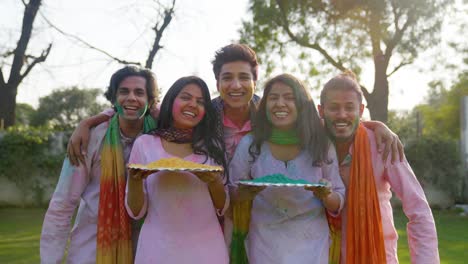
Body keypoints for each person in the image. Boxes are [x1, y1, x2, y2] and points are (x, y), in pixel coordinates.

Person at [66, 44, 403, 167]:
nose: (236, 85)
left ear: (256, 81)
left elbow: (322, 121)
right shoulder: (201, 114)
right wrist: (89, 122)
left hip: (263, 216)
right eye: (228, 77)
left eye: (244, 77)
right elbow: (142, 111)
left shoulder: (271, 115)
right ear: (218, 83)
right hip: (206, 213)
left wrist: (374, 125)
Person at [317, 71, 439, 264]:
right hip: (321, 256)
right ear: (321, 111)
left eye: (350, 107)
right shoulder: (310, 147)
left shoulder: (383, 145)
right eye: (334, 108)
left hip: (377, 256)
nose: (342, 115)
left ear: (361, 110)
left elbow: (418, 210)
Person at [40, 66, 158, 264]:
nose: (131, 98)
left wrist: (88, 120)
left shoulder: (158, 138)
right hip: (93, 247)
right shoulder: (90, 138)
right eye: (123, 91)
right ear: (113, 99)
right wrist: (50, 260)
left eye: (139, 92)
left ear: (150, 101)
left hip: (145, 247)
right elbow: (63, 204)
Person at [229, 73, 345, 264]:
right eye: (273, 98)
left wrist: (325, 195)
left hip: (312, 247)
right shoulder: (251, 144)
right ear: (265, 104)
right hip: (264, 245)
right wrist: (244, 194)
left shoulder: (321, 144)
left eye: (289, 98)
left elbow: (339, 198)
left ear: (302, 105)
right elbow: (231, 193)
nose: (280, 104)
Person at [125, 76, 230, 263]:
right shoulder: (145, 144)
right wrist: (135, 180)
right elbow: (136, 212)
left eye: (200, 102)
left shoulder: (212, 146)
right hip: (156, 250)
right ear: (171, 100)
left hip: (207, 251)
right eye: (185, 97)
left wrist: (213, 181)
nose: (192, 105)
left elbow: (222, 207)